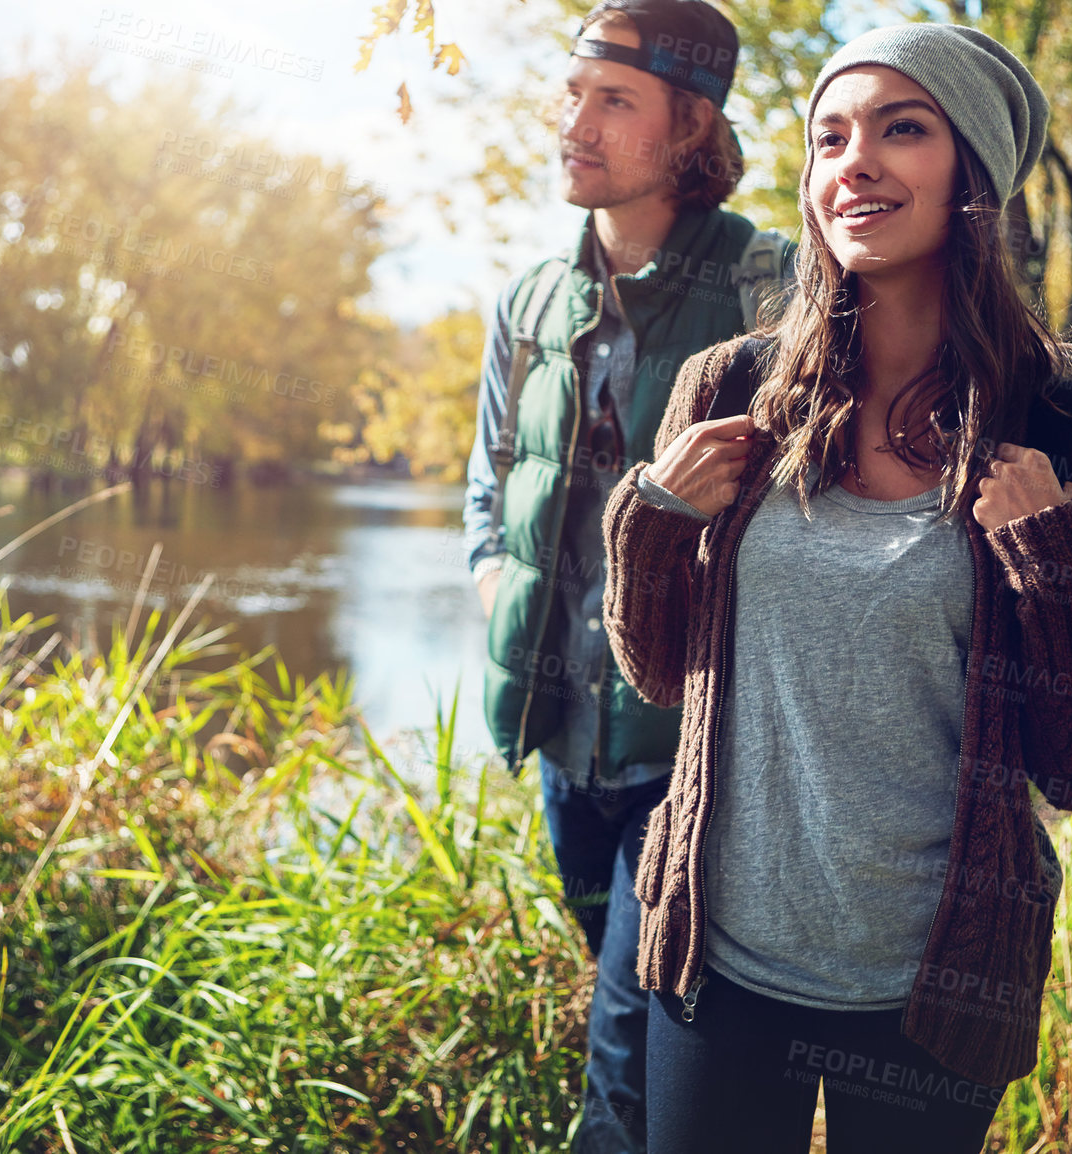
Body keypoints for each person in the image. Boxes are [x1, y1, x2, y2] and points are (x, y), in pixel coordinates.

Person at [601, 22, 1072, 1153]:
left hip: (932, 986)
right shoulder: (733, 389)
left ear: (974, 178)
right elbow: (658, 671)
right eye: (829, 136)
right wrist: (655, 515)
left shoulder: (1069, 431)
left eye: (904, 128)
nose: (855, 160)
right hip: (718, 959)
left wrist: (1052, 557)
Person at [460, 1, 793, 1149]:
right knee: (647, 1032)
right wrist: (496, 599)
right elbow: (487, 492)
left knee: (624, 1051)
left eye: (611, 100)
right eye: (570, 94)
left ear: (689, 126)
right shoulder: (530, 302)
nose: (573, 122)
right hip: (562, 745)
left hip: (684, 753)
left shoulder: (767, 285)